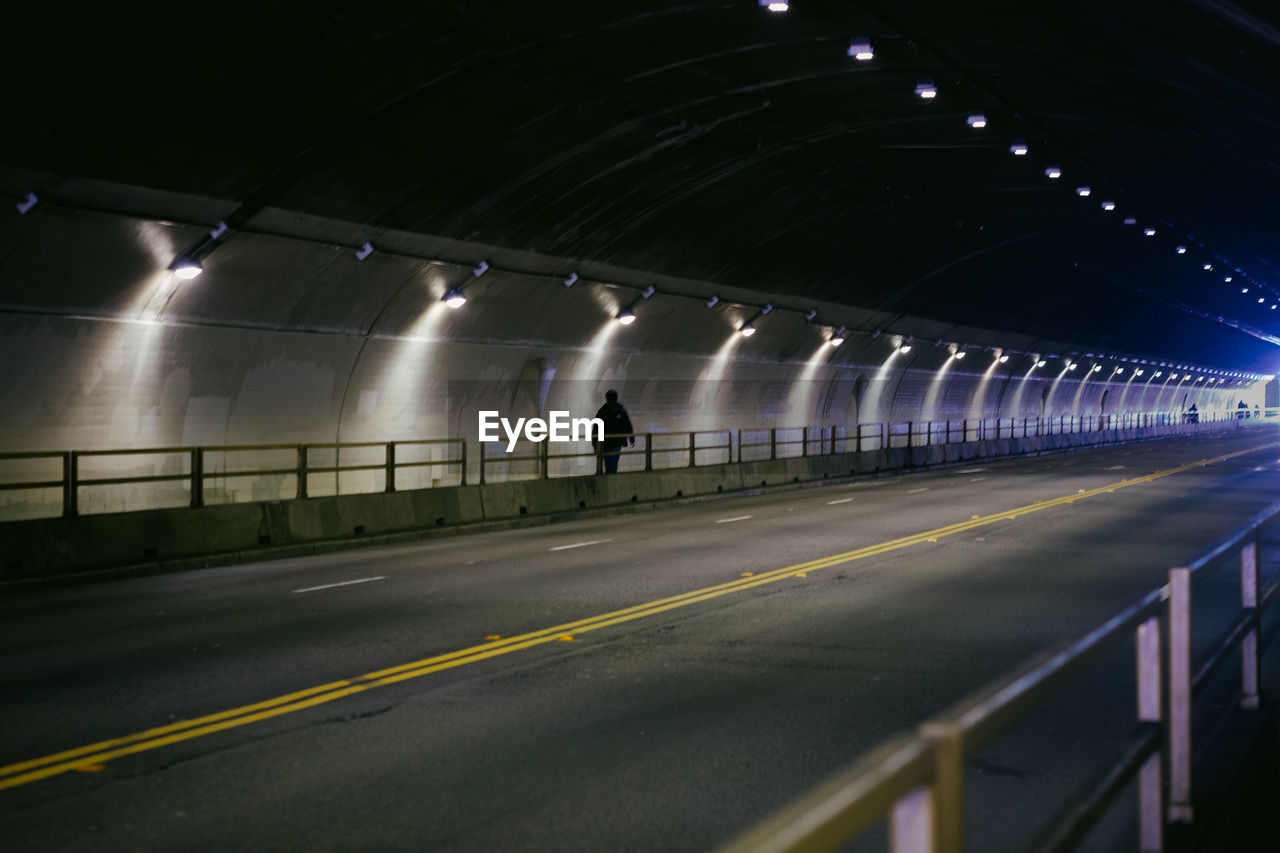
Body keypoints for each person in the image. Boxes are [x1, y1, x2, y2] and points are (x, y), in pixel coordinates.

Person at [593, 389, 634, 474]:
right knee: (613, 462)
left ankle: (608, 478)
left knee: (608, 463)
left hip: (605, 442)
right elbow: (627, 425)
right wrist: (632, 439)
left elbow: (596, 428)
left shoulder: (602, 410)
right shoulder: (620, 409)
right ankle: (610, 478)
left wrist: (594, 444)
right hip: (617, 441)